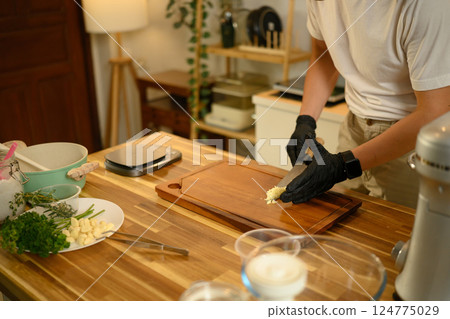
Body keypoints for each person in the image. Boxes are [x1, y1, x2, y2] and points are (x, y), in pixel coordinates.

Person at [280, 0, 450, 208]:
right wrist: (306, 121)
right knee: (343, 229)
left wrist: (342, 166)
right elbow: (323, 53)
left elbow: (434, 112)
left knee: (396, 234)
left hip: (410, 143)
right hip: (353, 128)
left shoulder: (425, 6)